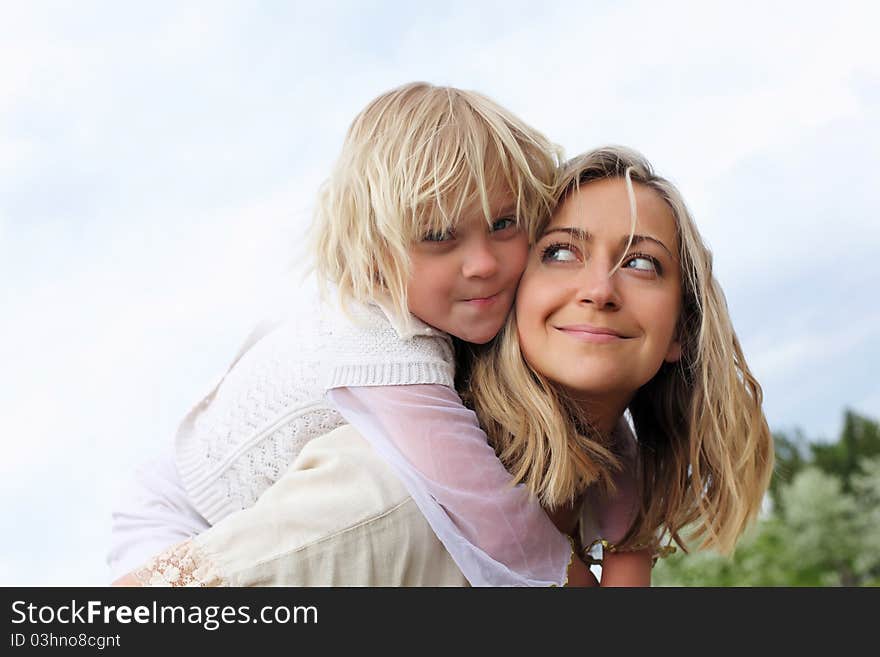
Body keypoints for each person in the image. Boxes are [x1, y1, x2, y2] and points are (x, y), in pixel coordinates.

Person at [117, 146, 774, 587]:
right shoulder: (398, 494)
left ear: (680, 333)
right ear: (512, 293)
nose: (599, 289)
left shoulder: (605, 473)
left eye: (640, 262)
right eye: (562, 253)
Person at [109, 81, 603, 587]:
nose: (482, 263)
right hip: (183, 519)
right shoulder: (385, 351)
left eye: (504, 223)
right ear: (374, 254)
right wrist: (577, 582)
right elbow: (484, 507)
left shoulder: (437, 313)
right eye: (438, 237)